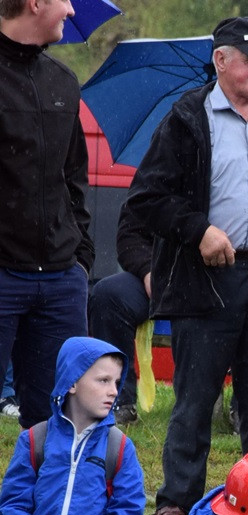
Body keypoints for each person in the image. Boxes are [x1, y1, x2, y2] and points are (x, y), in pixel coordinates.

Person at [124, 16, 248, 515]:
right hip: (206, 279)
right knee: (194, 400)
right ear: (220, 60)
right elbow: (147, 199)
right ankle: (177, 501)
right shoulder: (187, 118)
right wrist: (199, 230)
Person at [0, 337, 145, 515]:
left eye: (116, 382)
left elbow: (127, 509)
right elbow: (14, 502)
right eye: (103, 380)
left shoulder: (119, 446)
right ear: (72, 383)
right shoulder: (35, 438)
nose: (113, 391)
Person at [0, 0, 93, 430]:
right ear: (35, 3)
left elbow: (74, 176)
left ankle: (47, 481)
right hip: (3, 273)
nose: (72, 10)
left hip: (60, 280)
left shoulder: (64, 80)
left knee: (61, 422)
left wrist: (81, 258)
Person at [88, 204, 153, 426]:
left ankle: (242, 408)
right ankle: (119, 400)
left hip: (213, 273)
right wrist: (148, 270)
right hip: (157, 276)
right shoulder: (149, 184)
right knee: (108, 295)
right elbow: (129, 237)